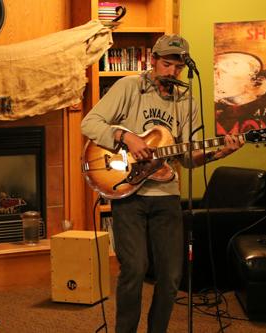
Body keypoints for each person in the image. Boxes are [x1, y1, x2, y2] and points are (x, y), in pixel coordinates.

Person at [81, 35, 244, 333]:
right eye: (166, 64)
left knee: (170, 278)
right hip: (128, 194)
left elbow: (189, 158)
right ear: (153, 61)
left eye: (177, 67)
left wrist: (219, 151)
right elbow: (90, 123)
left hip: (166, 195)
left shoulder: (187, 101)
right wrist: (125, 136)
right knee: (134, 269)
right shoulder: (129, 87)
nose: (171, 72)